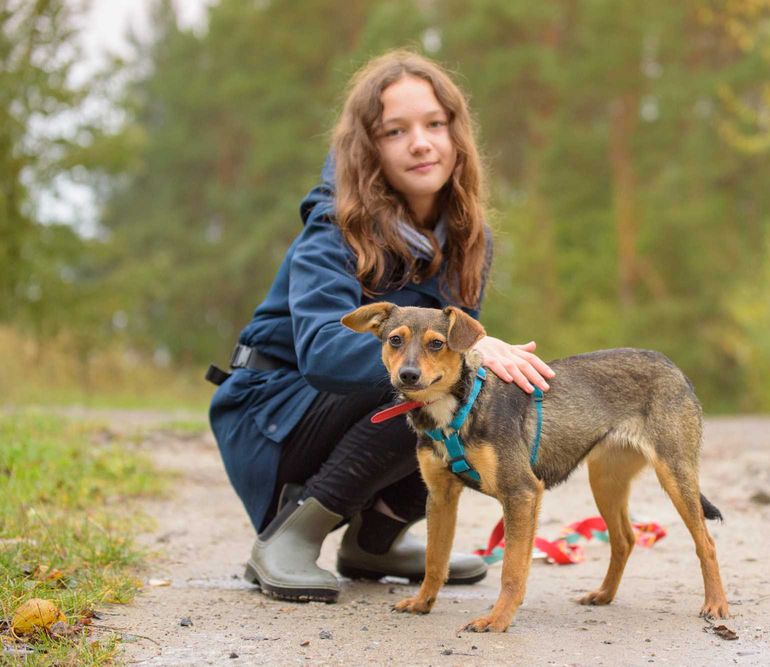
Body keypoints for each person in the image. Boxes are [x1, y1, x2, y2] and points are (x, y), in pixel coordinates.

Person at [208, 50, 555, 603]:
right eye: (397, 131)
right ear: (369, 148)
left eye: (435, 124)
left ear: (456, 134)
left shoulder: (470, 237)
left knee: (463, 392)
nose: (421, 142)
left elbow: (455, 348)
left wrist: (483, 360)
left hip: (348, 408)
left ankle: (375, 539)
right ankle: (292, 534)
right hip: (274, 413)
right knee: (423, 378)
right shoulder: (334, 225)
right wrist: (472, 355)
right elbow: (323, 352)